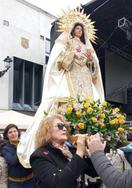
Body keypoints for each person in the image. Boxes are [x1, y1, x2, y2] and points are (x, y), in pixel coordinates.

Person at [18, 9, 105, 168]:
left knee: (90, 105)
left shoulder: (87, 48)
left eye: (81, 29)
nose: (79, 31)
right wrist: (71, 54)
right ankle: (70, 129)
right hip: (70, 77)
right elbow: (59, 64)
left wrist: (91, 61)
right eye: (77, 28)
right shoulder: (66, 42)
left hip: (84, 79)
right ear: (72, 29)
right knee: (64, 103)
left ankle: (87, 131)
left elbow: (94, 73)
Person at [30, 114, 98, 188]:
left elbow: (94, 173)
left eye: (65, 126)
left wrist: (86, 153)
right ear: (47, 130)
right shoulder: (39, 156)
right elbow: (58, 183)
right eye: (60, 126)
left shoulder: (71, 151)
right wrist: (79, 153)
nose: (65, 129)